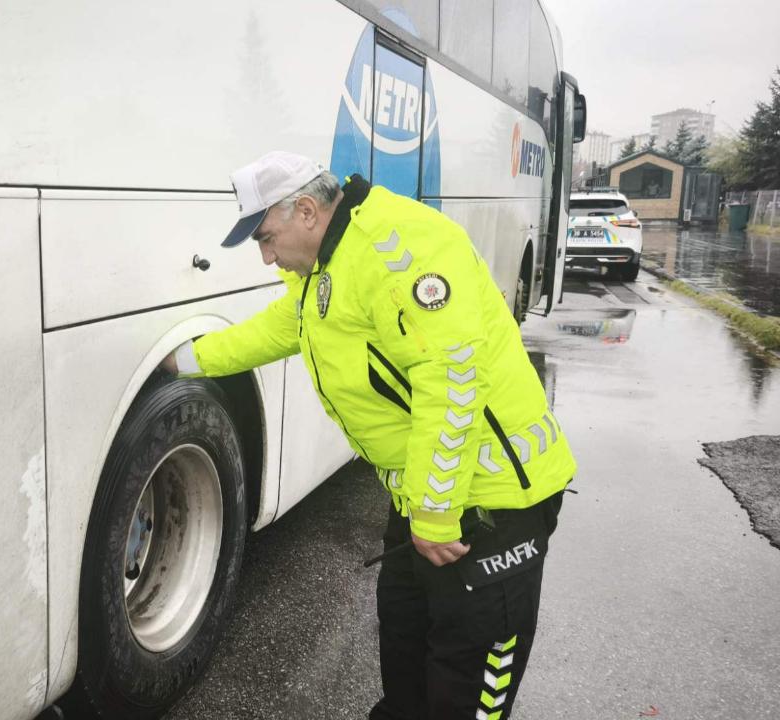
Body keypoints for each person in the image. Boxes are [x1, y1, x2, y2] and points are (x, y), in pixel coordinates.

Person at [162, 151, 576, 719]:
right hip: (430, 497)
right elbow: (280, 328)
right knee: (404, 661)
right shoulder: (330, 263)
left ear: (306, 210)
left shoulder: (401, 248)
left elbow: (451, 377)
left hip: (493, 503)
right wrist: (184, 361)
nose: (265, 257)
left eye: (265, 237)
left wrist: (434, 512)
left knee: (463, 684)